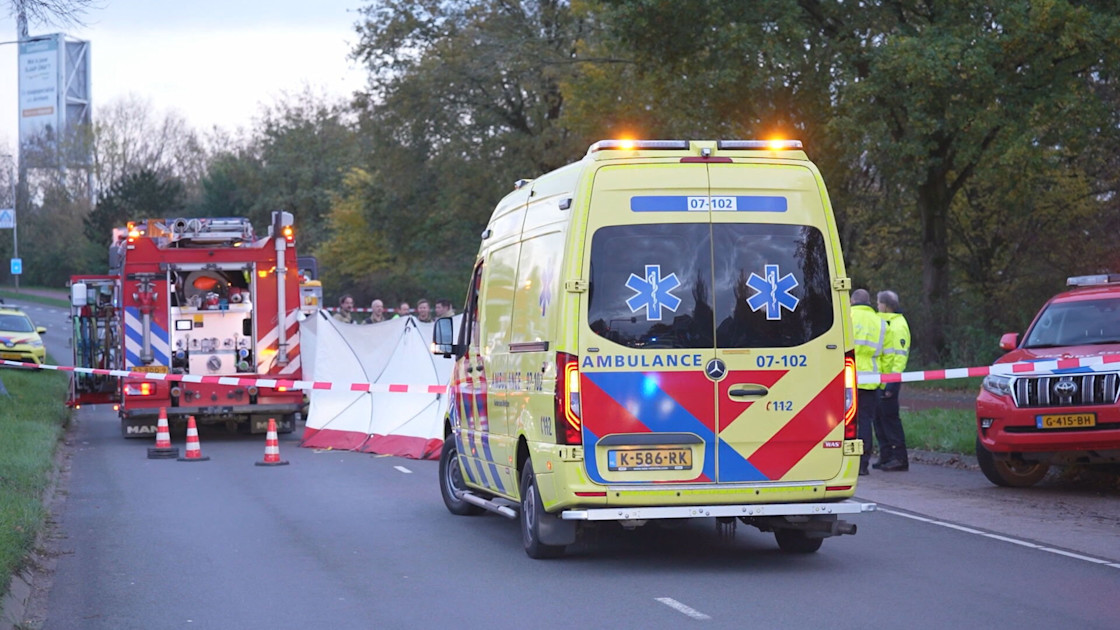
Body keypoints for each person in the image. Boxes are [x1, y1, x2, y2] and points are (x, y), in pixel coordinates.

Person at [874, 290, 912, 471]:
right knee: (879, 420)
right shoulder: (886, 323)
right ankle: (886, 455)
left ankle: (899, 458)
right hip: (880, 380)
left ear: (886, 305)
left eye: (879, 302)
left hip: (889, 380)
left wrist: (892, 383)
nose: (877, 305)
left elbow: (899, 357)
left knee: (890, 420)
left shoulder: (898, 326)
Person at [851, 288, 887, 476]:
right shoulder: (880, 322)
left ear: (852, 301)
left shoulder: (846, 316)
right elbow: (885, 355)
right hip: (871, 379)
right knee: (865, 422)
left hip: (847, 377)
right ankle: (863, 464)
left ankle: (846, 463)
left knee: (845, 423)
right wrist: (885, 380)